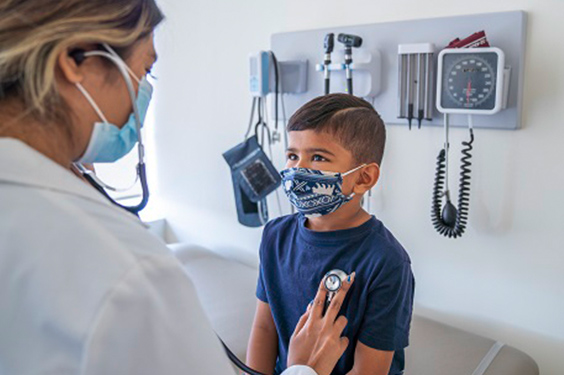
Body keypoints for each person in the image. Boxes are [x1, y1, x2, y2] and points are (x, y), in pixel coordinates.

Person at [0, 1, 352, 374]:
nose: (142, 94)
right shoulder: (128, 270)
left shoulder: (383, 260)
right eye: (145, 69)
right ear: (74, 60)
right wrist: (304, 369)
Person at [246, 94, 415, 375]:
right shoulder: (275, 236)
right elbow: (264, 327)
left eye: (318, 157)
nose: (297, 170)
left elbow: (369, 371)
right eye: (292, 155)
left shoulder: (387, 262)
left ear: (364, 178)